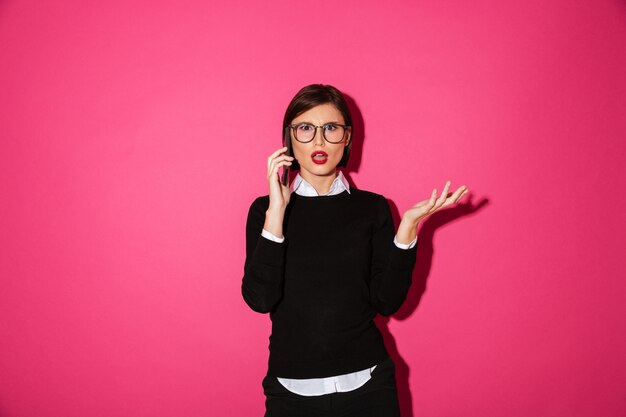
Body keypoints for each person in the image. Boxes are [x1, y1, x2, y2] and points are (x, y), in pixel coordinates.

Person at [242, 84, 468, 417]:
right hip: (291, 393)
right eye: (306, 128)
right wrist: (277, 212)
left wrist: (407, 230)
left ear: (347, 138)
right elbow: (260, 299)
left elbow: (388, 302)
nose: (319, 141)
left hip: (370, 388)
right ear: (289, 137)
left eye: (331, 128)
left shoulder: (373, 208)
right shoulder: (265, 210)